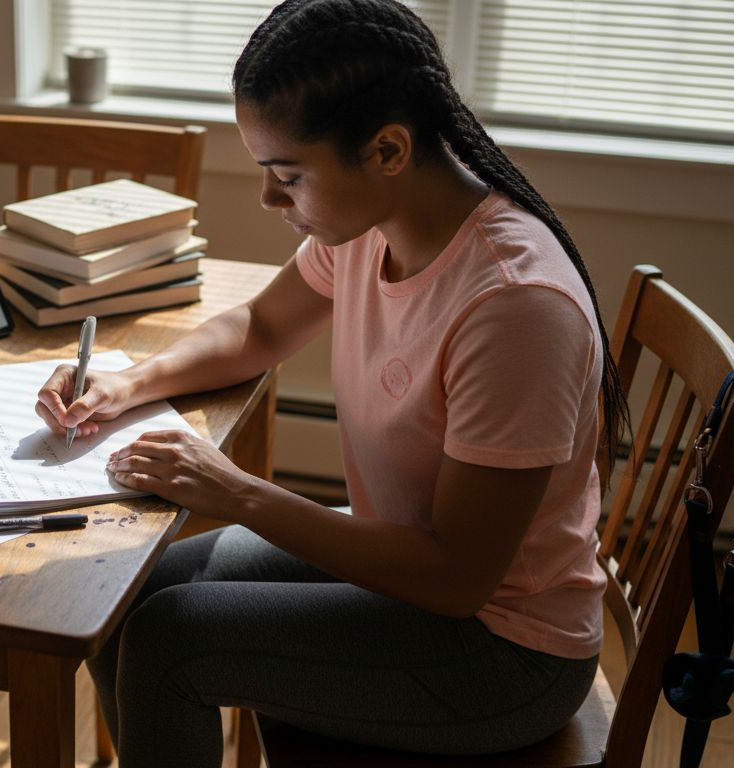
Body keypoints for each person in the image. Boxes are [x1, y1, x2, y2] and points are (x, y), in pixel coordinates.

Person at [35, 0, 629, 764]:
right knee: (119, 594)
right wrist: (127, 381)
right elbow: (261, 328)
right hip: (405, 566)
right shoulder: (374, 224)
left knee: (168, 644)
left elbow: (456, 578)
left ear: (387, 149)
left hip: (504, 653)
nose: (269, 200)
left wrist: (236, 492)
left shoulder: (515, 306)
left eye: (287, 176)